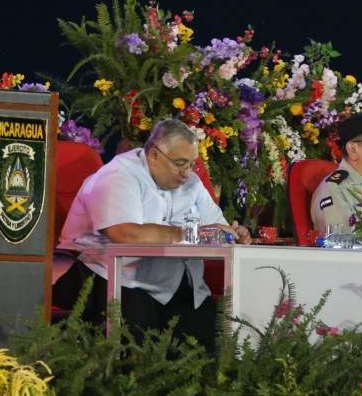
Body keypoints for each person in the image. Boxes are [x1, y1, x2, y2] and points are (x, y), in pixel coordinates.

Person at [52, 119, 252, 350]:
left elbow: (216, 230)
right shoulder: (117, 175)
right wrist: (191, 233)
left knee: (221, 339)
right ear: (154, 155)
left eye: (191, 165)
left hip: (174, 282)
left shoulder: (192, 183)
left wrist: (233, 235)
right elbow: (126, 234)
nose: (186, 173)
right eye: (180, 164)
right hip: (113, 278)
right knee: (142, 352)